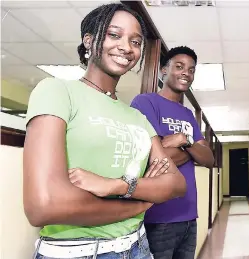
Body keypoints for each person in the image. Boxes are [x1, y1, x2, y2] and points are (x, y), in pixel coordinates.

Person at [23, 3, 187, 259]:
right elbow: (43, 206)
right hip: (78, 252)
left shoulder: (137, 117)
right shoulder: (56, 91)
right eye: (114, 35)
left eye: (135, 41)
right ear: (88, 41)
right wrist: (140, 203)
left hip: (138, 247)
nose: (126, 47)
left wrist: (116, 186)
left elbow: (175, 183)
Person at [131, 46, 214, 259]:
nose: (186, 72)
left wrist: (182, 142)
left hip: (189, 216)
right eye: (179, 66)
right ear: (163, 71)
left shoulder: (188, 114)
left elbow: (209, 158)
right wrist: (193, 148)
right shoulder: (145, 102)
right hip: (157, 216)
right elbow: (153, 159)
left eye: (191, 69)